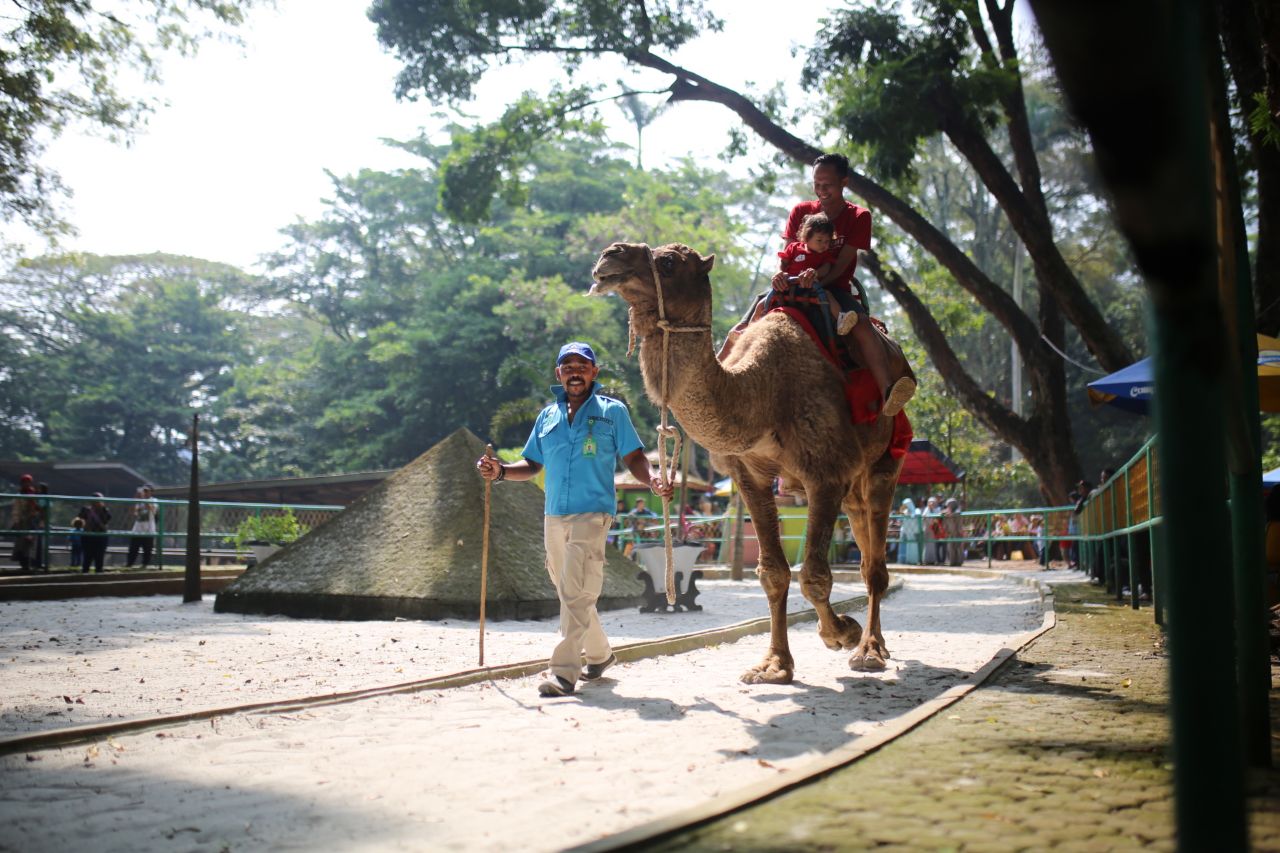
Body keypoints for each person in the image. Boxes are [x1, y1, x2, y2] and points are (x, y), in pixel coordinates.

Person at [476, 341, 672, 698]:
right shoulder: (547, 417)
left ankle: (564, 672)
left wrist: (653, 479)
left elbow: (634, 458)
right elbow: (533, 464)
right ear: (559, 375)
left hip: (593, 513)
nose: (575, 372)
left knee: (577, 589)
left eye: (582, 366)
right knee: (569, 590)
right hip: (553, 514)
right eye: (567, 366)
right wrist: (500, 471)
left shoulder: (612, 412)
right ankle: (600, 655)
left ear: (594, 372)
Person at [726, 153, 916, 417]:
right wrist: (783, 278)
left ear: (844, 182)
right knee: (751, 318)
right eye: (817, 184)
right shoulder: (801, 212)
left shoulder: (859, 217)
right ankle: (722, 376)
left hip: (833, 287)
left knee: (860, 324)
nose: (821, 190)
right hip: (791, 286)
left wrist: (816, 281)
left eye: (827, 184)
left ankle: (887, 390)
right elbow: (788, 255)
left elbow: (841, 266)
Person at [77, 493, 112, 574]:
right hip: (88, 537)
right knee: (87, 558)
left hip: (100, 537)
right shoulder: (85, 510)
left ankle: (98, 573)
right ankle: (85, 574)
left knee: (99, 559)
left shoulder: (105, 511)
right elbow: (79, 521)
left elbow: (105, 522)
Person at [125, 485, 158, 569]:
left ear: (151, 492)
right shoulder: (139, 501)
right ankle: (129, 564)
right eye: (144, 491)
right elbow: (133, 512)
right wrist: (135, 499)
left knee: (147, 549)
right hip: (137, 529)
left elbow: (152, 509)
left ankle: (145, 564)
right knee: (133, 548)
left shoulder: (154, 500)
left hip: (149, 529)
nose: (145, 492)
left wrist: (143, 499)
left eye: (147, 491)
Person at [896, 498, 922, 564]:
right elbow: (900, 519)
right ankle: (906, 560)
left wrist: (911, 515)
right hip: (906, 532)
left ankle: (914, 560)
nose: (906, 506)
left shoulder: (917, 510)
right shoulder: (905, 511)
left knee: (913, 546)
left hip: (914, 532)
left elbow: (917, 516)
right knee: (906, 546)